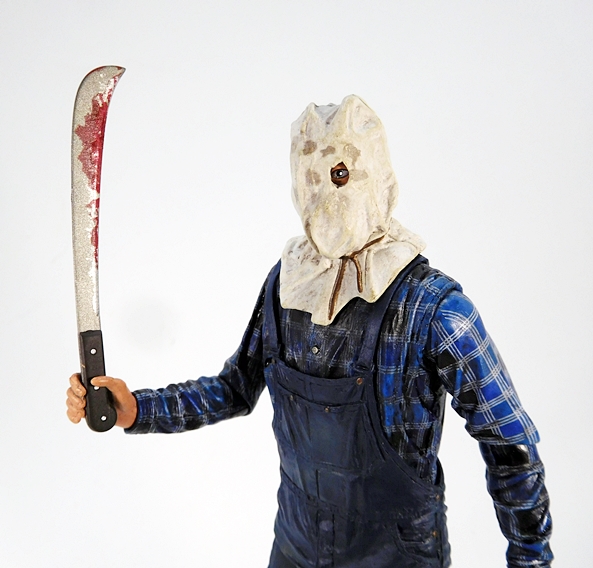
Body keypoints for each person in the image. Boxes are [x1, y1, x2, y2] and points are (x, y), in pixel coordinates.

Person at [67, 95, 553, 567]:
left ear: (377, 176)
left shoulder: (433, 309)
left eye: (340, 175)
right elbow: (235, 389)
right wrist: (137, 409)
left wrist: (530, 560)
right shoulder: (287, 286)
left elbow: (510, 447)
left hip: (398, 557)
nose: (325, 196)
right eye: (312, 178)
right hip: (296, 548)